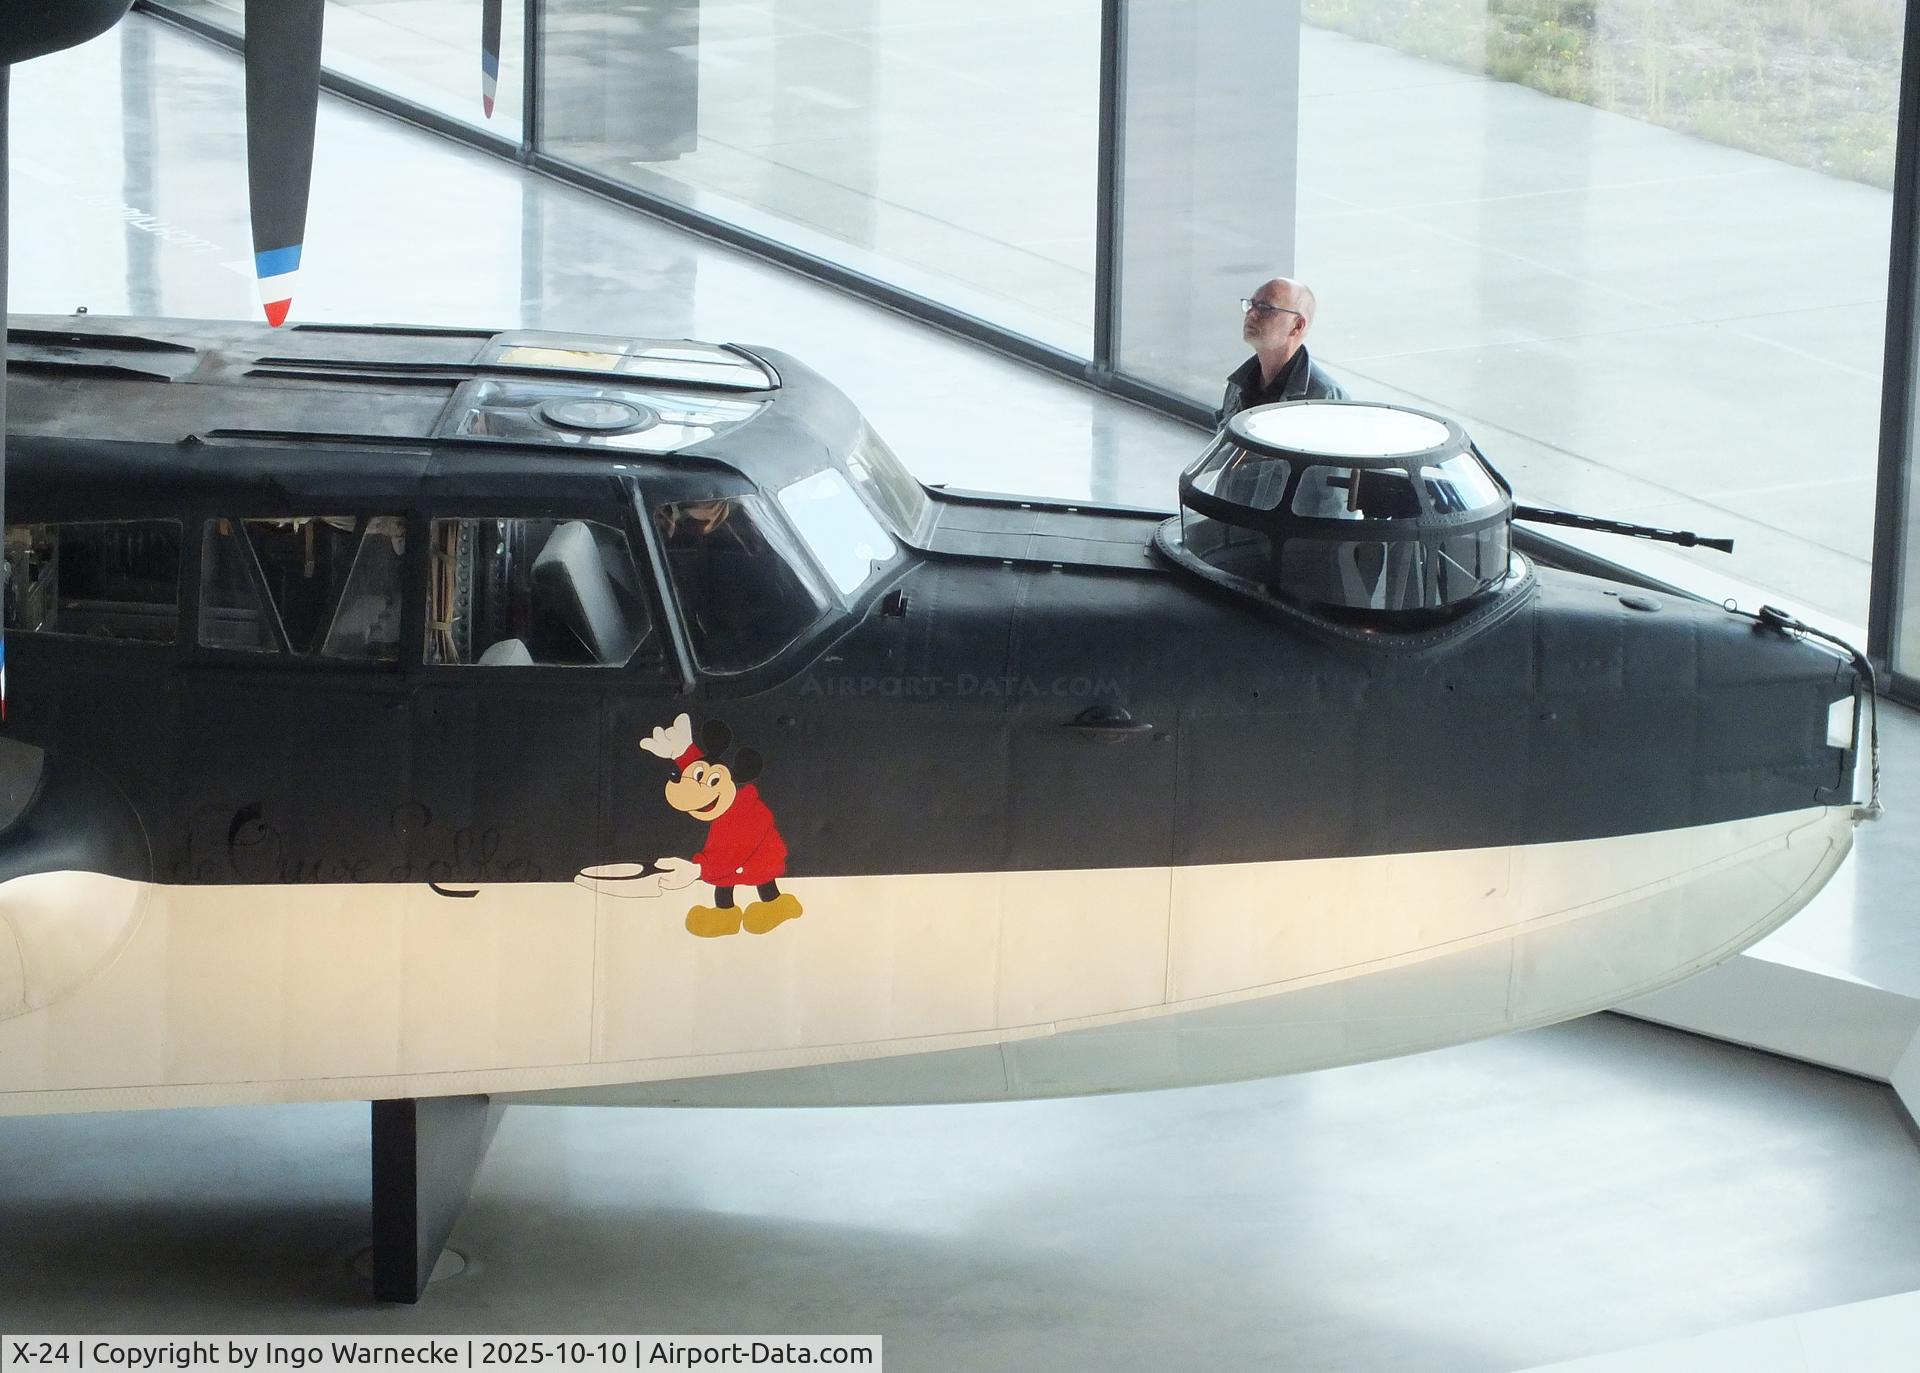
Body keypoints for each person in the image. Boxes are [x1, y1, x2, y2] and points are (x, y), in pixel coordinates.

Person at [1218, 277, 1347, 425]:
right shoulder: (1238, 383)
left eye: (1265, 308)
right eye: (1251, 305)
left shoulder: (1324, 399)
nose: (1251, 314)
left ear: (1297, 325)